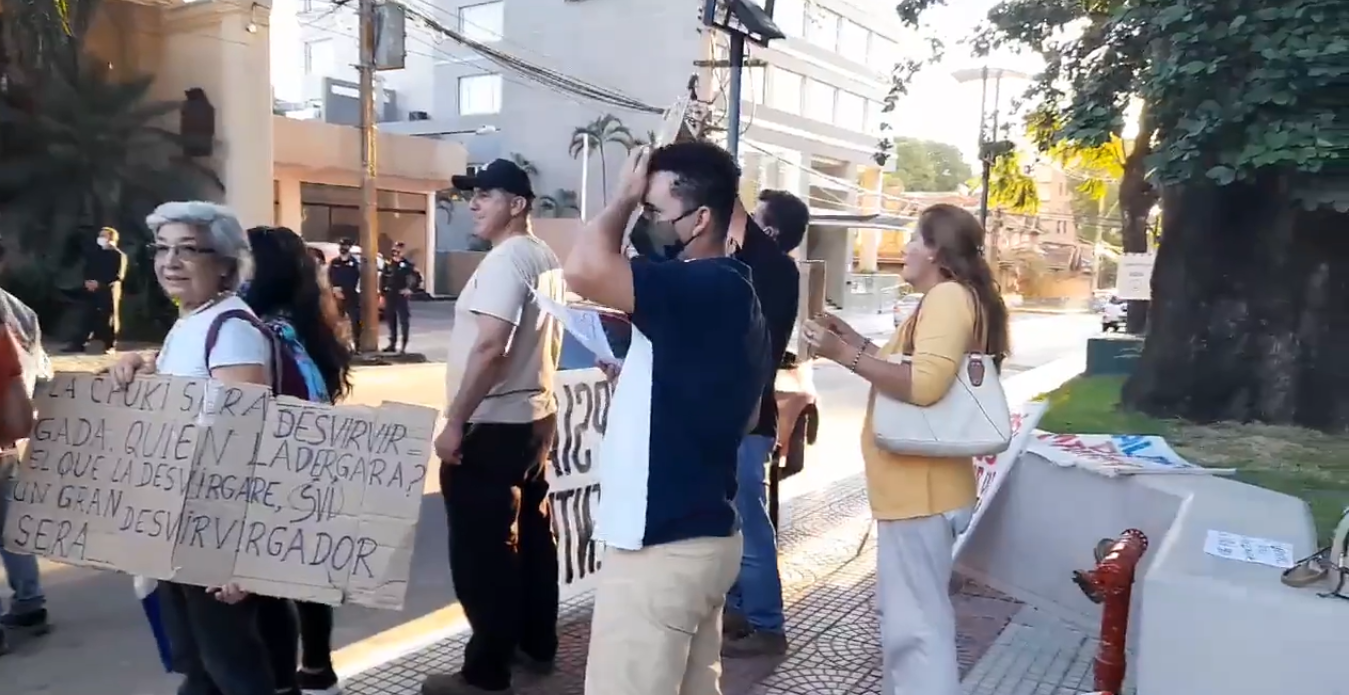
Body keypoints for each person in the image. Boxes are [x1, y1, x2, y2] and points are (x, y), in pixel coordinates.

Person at [564, 141, 771, 695]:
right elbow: (740, 411)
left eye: (653, 211)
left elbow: (582, 269)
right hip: (701, 540)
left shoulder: (705, 284)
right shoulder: (731, 292)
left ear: (700, 217)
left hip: (662, 547)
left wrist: (620, 198)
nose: (644, 223)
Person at [802, 203, 1010, 695]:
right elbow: (913, 368)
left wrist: (844, 356)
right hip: (921, 493)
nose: (907, 250)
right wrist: (856, 342)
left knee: (916, 630)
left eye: (915, 240)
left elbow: (921, 385)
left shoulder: (947, 298)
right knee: (911, 622)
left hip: (923, 494)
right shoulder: (951, 298)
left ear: (937, 250)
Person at [104, 201, 283, 695]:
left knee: (232, 668)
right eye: (162, 249)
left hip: (210, 527)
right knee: (198, 664)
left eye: (188, 250)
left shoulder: (233, 331)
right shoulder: (194, 321)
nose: (170, 262)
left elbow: (242, 443)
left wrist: (235, 551)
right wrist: (142, 362)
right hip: (178, 522)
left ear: (225, 262)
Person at [423, 158, 564, 695]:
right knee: (531, 539)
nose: (474, 205)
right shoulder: (544, 257)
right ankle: (536, 646)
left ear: (518, 204)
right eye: (471, 196)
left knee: (484, 554)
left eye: (485, 195)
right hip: (533, 420)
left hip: (494, 423)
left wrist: (456, 420)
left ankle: (485, 674)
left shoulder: (507, 262)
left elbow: (491, 345)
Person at [241, 225, 353, 695]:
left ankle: (288, 681)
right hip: (310, 469)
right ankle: (317, 669)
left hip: (276, 472)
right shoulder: (309, 323)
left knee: (268, 587)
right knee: (307, 576)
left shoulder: (266, 332)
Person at [721, 189, 809, 657]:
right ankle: (738, 613)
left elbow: (725, 200)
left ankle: (765, 623)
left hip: (748, 423)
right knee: (735, 523)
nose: (745, 227)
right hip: (744, 420)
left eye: (757, 221)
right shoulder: (760, 272)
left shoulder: (774, 268)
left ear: (769, 232)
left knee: (750, 526)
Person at [64, 226, 127, 353]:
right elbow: (87, 269)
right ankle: (78, 344)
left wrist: (101, 284)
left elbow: (117, 275)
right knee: (86, 317)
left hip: (109, 291)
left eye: (104, 235)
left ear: (112, 238)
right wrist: (88, 282)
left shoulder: (118, 255)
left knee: (108, 318)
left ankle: (110, 346)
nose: (101, 238)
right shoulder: (95, 253)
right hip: (92, 290)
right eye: (100, 235)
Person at [380, 241, 417, 353]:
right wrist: (382, 293)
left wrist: (410, 289)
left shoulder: (407, 265)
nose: (397, 251)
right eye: (395, 249)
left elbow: (416, 278)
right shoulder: (388, 264)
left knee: (404, 321)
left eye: (399, 250)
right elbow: (383, 279)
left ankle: (403, 345)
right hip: (390, 295)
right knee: (391, 320)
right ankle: (392, 344)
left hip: (401, 296)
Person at [327, 239, 362, 346]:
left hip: (351, 295)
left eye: (345, 246)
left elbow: (357, 278)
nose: (342, 248)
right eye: (341, 246)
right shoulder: (334, 262)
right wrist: (335, 289)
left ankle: (357, 344)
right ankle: (339, 344)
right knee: (337, 321)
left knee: (355, 320)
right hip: (337, 295)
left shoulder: (354, 263)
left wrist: (350, 290)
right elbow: (330, 277)